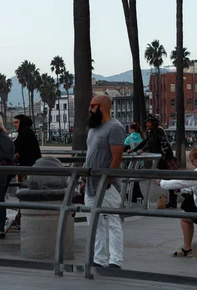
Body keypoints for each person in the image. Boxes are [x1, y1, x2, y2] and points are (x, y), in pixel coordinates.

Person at [82, 95, 125, 269]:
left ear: (101, 107)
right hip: (91, 183)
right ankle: (99, 258)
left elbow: (117, 157)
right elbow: (89, 155)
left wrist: (108, 179)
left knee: (113, 221)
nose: (89, 109)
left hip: (108, 185)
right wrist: (85, 179)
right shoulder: (93, 128)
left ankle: (115, 260)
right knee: (94, 222)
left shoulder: (115, 128)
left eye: (92, 106)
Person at [133, 115, 178, 208]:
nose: (147, 124)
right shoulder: (151, 131)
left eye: (149, 122)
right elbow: (146, 141)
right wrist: (134, 150)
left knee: (169, 178)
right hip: (160, 158)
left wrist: (142, 150)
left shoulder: (158, 130)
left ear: (154, 123)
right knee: (166, 178)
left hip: (166, 157)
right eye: (147, 122)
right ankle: (172, 200)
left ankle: (173, 200)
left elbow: (151, 142)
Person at [8, 114, 42, 231]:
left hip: (27, 169)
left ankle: (21, 218)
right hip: (29, 167)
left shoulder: (25, 133)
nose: (14, 124)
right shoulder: (27, 133)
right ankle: (20, 217)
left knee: (25, 194)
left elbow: (16, 146)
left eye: (17, 122)